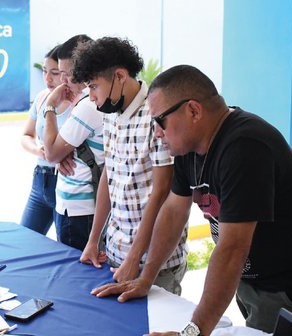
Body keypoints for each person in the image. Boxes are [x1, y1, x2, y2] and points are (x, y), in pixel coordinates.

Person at [92, 65, 292, 335]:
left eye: (159, 121)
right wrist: (146, 277)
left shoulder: (245, 146)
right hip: (255, 276)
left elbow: (232, 248)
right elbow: (174, 211)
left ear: (194, 111)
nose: (157, 132)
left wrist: (193, 332)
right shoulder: (190, 145)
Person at [73, 37, 188, 295]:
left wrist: (135, 259)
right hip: (116, 253)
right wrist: (93, 240)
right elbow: (108, 176)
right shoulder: (110, 114)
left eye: (94, 87)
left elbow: (162, 192)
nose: (91, 97)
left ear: (120, 75)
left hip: (154, 264)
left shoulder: (156, 114)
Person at [42, 34, 104, 250]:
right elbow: (58, 151)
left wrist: (49, 106)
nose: (63, 81)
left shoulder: (89, 105)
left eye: (66, 74)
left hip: (79, 210)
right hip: (79, 208)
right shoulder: (86, 101)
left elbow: (51, 153)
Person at [19, 45, 72, 235]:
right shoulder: (42, 98)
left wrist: (59, 155)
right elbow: (26, 135)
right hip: (40, 180)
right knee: (25, 239)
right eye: (44, 71)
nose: (47, 78)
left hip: (66, 182)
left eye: (55, 73)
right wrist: (39, 151)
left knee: (66, 247)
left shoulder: (80, 104)